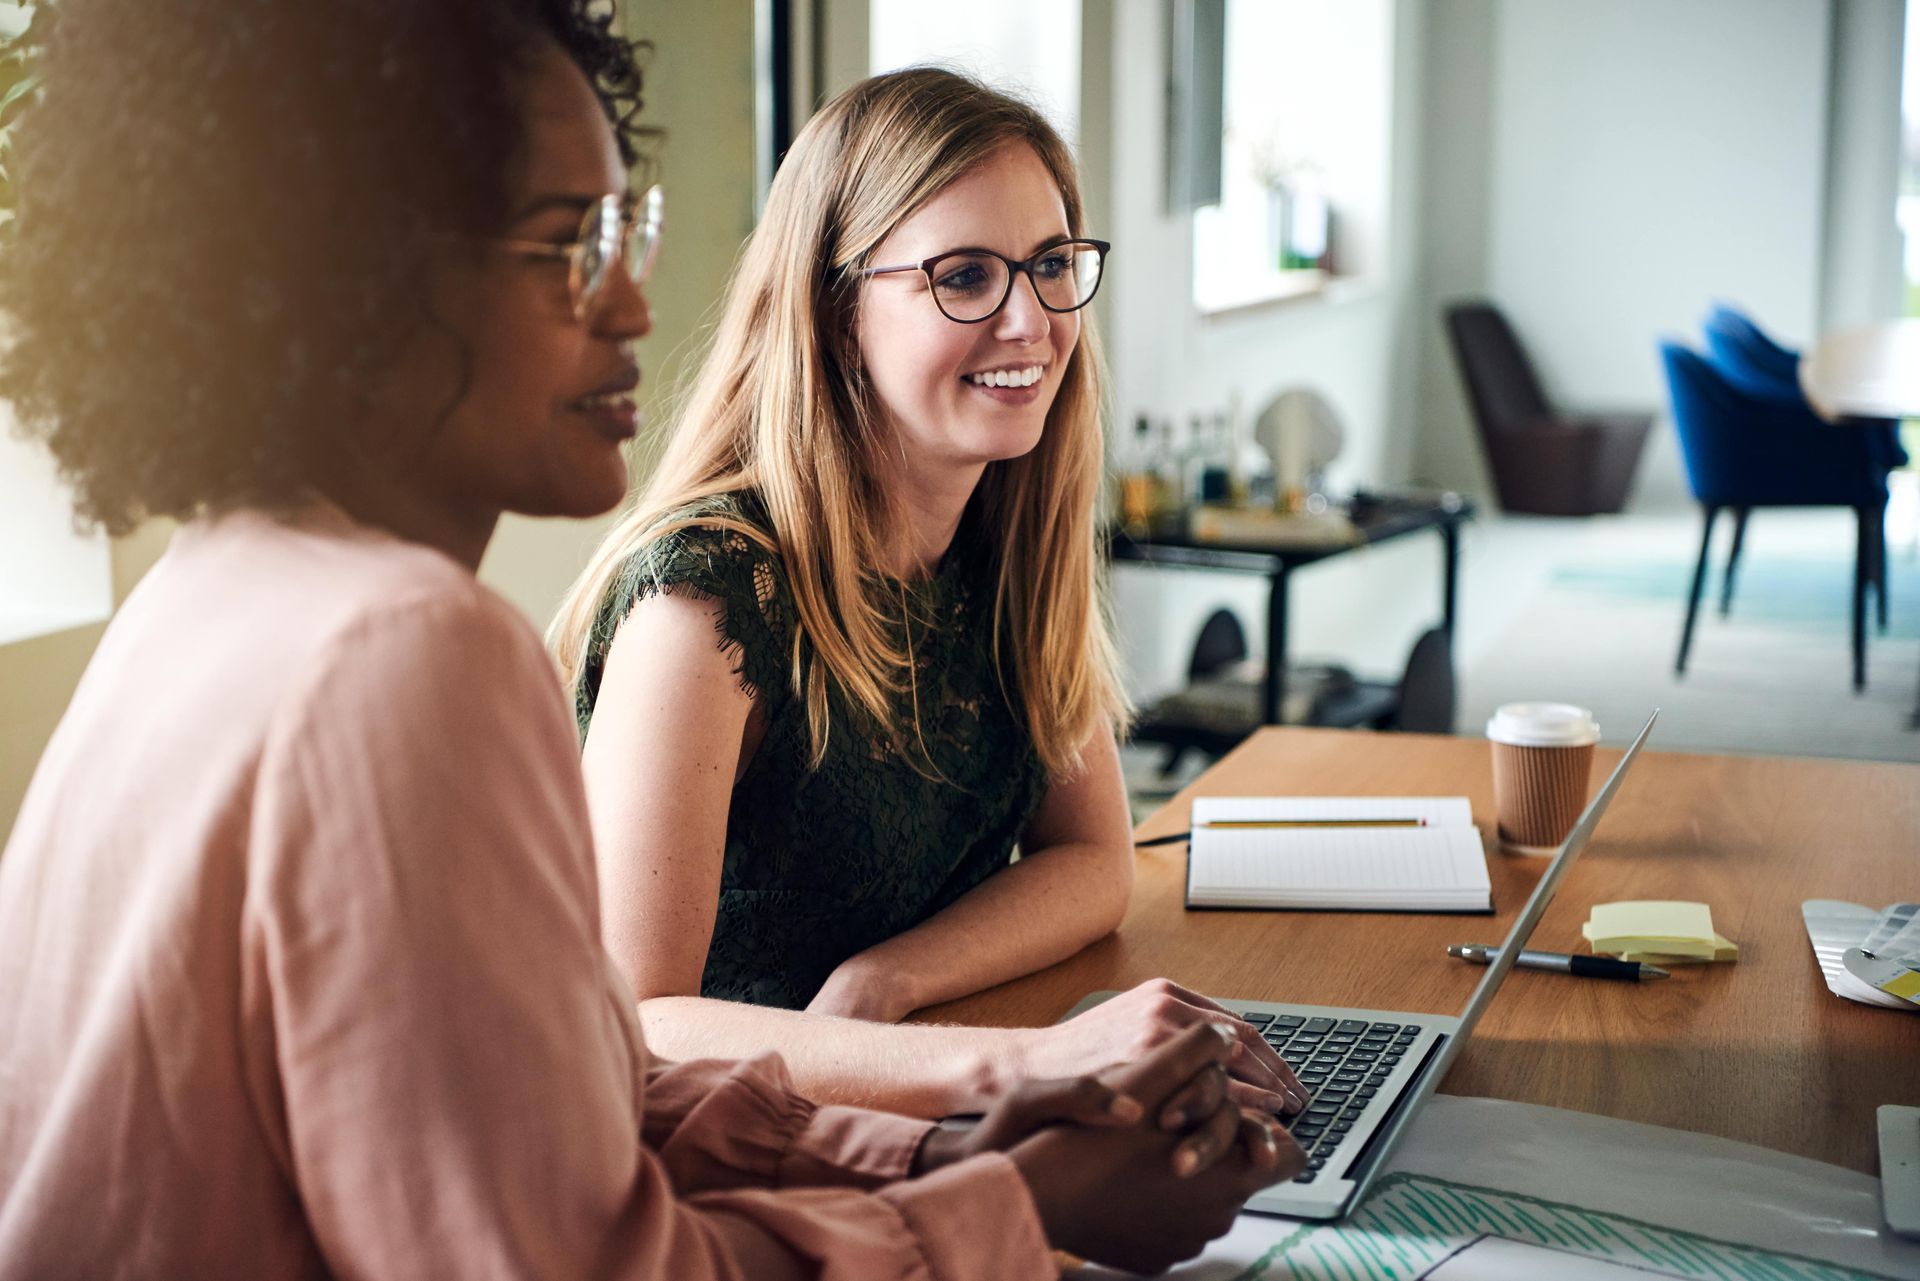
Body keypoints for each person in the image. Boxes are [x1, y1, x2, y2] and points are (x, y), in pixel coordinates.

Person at [0, 2, 1303, 1276]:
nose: (631, 303)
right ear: (360, 278)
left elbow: (579, 1100)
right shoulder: (404, 652)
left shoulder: (212, 585)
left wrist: (926, 1158)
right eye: (570, 243)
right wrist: (1012, 1201)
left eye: (629, 230)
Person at [552, 66, 1307, 1119]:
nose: (1030, 321)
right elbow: (634, 1020)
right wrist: (1023, 1065)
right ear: (833, 303)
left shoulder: (1010, 528)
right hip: (738, 1161)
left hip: (906, 1104)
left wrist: (890, 980)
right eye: (963, 277)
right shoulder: (708, 595)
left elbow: (1094, 860)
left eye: (1050, 265)